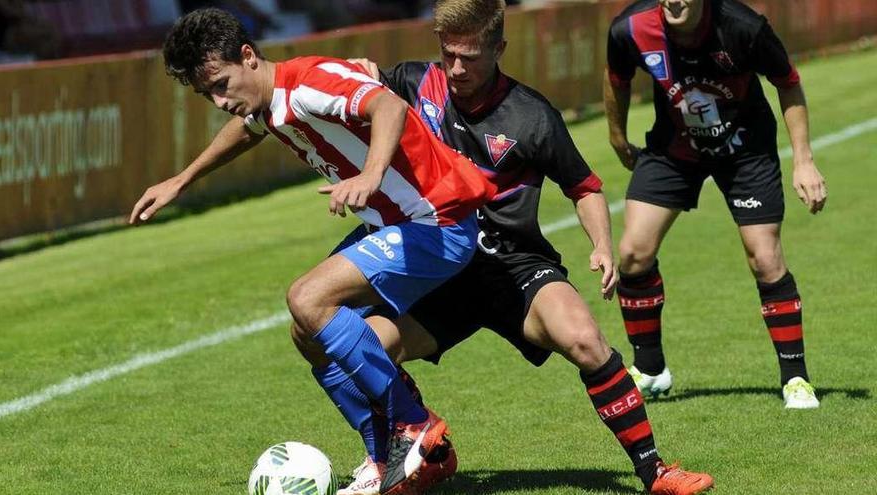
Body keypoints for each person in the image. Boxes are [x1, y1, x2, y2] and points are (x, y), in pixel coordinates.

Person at [298, 1, 714, 494]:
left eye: (470, 57)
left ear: (499, 48)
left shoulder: (531, 115)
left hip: (514, 264)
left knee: (583, 339)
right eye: (449, 54)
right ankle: (423, 452)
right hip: (440, 268)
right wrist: (359, 73)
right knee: (360, 351)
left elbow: (584, 187)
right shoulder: (411, 83)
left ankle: (656, 472)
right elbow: (357, 91)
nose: (457, 68)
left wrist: (601, 244)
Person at [127, 8, 498, 495]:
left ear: (248, 57)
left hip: (439, 222)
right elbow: (250, 129)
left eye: (221, 84)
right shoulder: (269, 102)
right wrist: (182, 179)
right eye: (207, 94)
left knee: (307, 297)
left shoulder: (308, 83)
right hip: (399, 223)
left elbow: (387, 107)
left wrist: (368, 175)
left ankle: (416, 428)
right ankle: (386, 454)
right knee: (307, 332)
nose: (219, 101)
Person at [603, 0, 826, 408]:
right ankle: (651, 369)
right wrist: (617, 138)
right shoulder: (630, 29)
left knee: (765, 258)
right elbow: (616, 77)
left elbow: (787, 82)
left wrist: (804, 161)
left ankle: (796, 378)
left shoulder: (744, 28)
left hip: (746, 150)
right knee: (633, 253)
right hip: (673, 148)